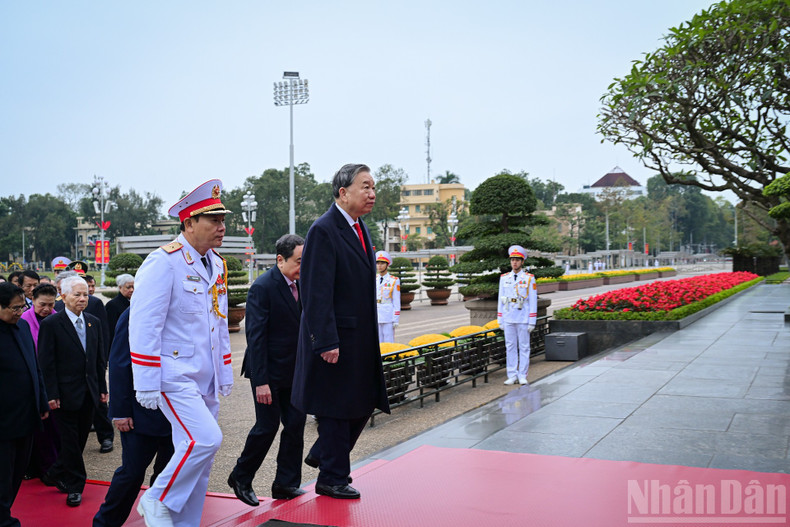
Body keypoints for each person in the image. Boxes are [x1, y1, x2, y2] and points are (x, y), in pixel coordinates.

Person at [130, 179, 234, 527]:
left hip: (204, 377)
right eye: (213, 221)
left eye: (223, 221)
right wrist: (146, 382)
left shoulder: (216, 264)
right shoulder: (164, 262)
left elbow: (217, 325)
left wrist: (224, 373)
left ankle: (182, 522)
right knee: (205, 440)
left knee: (201, 464)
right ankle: (156, 498)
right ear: (188, 223)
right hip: (173, 375)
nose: (221, 228)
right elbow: (144, 326)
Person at [292, 163, 390, 500]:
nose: (372, 193)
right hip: (336, 338)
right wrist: (326, 340)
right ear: (343, 192)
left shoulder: (360, 227)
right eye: (365, 186)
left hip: (360, 337)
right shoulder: (324, 229)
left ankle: (323, 453)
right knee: (335, 408)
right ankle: (333, 478)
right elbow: (315, 291)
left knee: (364, 401)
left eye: (373, 186)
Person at [229, 234, 306, 507]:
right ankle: (241, 476)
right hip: (268, 373)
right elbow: (256, 338)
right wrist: (261, 382)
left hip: (293, 372)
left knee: (296, 426)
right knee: (267, 426)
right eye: (298, 261)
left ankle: (285, 484)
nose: (302, 266)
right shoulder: (262, 287)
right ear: (280, 260)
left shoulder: (301, 284)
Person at [93, 309, 174, 527]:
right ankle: (105, 522)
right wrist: (120, 411)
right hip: (141, 413)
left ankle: (159, 519)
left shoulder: (182, 310)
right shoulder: (135, 313)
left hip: (176, 411)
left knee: (169, 474)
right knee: (132, 473)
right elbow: (120, 363)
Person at [38, 276, 107, 507]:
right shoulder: (51, 325)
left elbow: (98, 360)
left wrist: (102, 389)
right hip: (64, 395)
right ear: (63, 296)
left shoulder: (93, 322)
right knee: (70, 442)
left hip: (89, 392)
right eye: (77, 294)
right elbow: (46, 364)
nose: (82, 298)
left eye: (86, 294)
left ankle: (54, 472)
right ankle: (75, 486)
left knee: (78, 441)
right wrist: (51, 394)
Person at [0, 283, 49, 527]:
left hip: (26, 415)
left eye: (23, 307)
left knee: (18, 471)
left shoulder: (22, 327)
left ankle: (4, 512)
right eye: (14, 308)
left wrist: (41, 400)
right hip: (3, 420)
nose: (20, 312)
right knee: (2, 475)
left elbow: (34, 368)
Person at [19, 283, 60, 481]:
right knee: (36, 429)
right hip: (31, 382)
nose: (46, 309)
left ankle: (51, 467)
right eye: (42, 304)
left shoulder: (57, 318)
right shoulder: (23, 321)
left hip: (53, 381)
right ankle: (35, 467)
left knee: (53, 429)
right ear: (32, 301)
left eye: (50, 305)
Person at [80, 274, 114, 455]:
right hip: (73, 365)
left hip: (93, 360)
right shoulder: (59, 304)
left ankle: (106, 436)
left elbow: (104, 331)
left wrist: (104, 356)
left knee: (100, 400)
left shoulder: (94, 303)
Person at [497, 245, 538, 386]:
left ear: (522, 262)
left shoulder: (529, 278)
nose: (514, 262)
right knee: (510, 346)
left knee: (524, 347)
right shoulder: (504, 278)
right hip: (508, 315)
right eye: (513, 260)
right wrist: (500, 318)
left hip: (523, 316)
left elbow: (532, 300)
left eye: (517, 260)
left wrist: (532, 320)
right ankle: (512, 374)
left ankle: (522, 374)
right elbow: (501, 299)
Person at [374, 251, 400, 344]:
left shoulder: (394, 280)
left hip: (388, 314)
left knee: (388, 340)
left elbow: (396, 300)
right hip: (377, 314)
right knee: (378, 341)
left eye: (382, 263)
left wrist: (396, 318)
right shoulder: (374, 279)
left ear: (387, 265)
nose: (379, 266)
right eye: (377, 263)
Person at [105, 273, 134, 344]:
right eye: (128, 287)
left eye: (133, 287)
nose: (131, 290)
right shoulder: (112, 305)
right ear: (120, 287)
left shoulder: (133, 303)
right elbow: (111, 330)